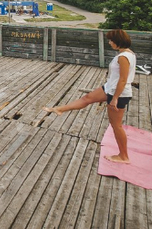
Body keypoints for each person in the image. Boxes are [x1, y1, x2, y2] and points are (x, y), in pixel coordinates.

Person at [43, 29, 136, 164]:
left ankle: (123, 156)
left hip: (118, 93)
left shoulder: (123, 57)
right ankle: (59, 109)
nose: (109, 43)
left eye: (111, 40)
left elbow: (123, 80)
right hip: (110, 88)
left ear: (118, 41)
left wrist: (115, 98)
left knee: (116, 126)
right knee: (87, 98)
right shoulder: (128, 53)